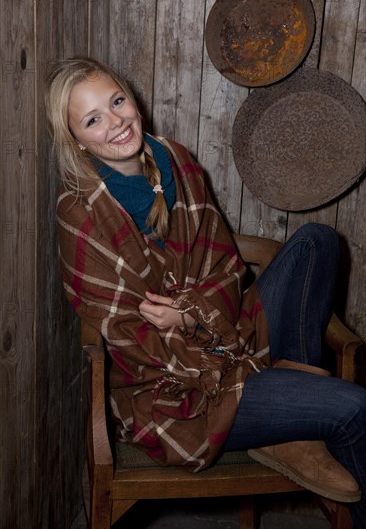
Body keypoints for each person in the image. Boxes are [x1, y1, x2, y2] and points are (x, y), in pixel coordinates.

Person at [45, 56, 366, 527]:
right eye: (93, 119)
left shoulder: (175, 159)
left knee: (317, 243)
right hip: (175, 388)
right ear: (75, 139)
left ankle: (291, 427)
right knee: (354, 408)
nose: (115, 123)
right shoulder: (80, 213)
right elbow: (131, 337)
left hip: (223, 332)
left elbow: (226, 266)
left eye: (117, 102)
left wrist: (191, 311)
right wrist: (186, 321)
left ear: (131, 97)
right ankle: (296, 418)